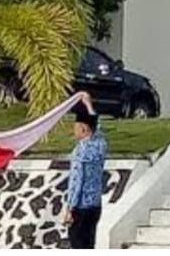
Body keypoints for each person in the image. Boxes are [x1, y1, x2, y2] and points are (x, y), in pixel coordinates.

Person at [62, 92, 107, 249]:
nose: (73, 130)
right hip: (95, 205)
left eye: (76, 127)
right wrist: (88, 104)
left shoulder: (80, 152)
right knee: (89, 244)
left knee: (78, 244)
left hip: (80, 206)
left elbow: (77, 181)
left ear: (83, 128)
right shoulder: (100, 145)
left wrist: (70, 208)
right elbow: (97, 127)